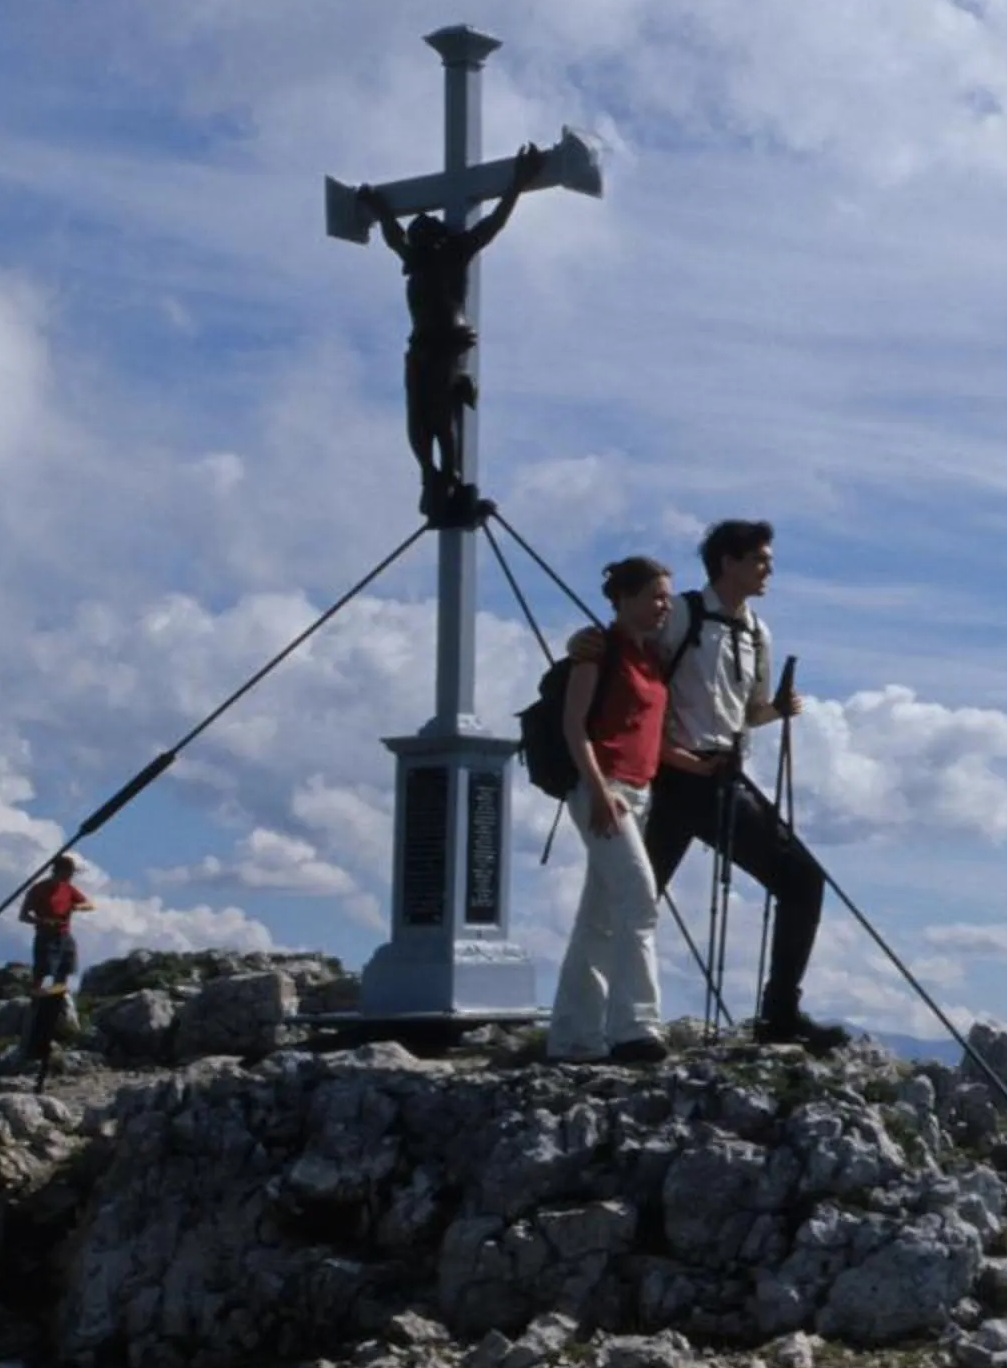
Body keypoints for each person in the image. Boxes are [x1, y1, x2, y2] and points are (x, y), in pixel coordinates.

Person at [582, 518, 842, 1051]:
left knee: (632, 898)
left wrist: (777, 711)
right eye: (760, 559)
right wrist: (583, 644)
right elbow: (629, 658)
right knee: (800, 881)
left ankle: (597, 1023)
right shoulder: (679, 613)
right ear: (728, 562)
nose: (769, 568)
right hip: (688, 775)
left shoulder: (756, 631)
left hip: (713, 772)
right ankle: (779, 1015)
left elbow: (747, 711)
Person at [357, 144, 546, 522]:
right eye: (419, 234)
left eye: (427, 233)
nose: (421, 238)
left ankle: (453, 473)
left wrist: (518, 182)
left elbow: (494, 222)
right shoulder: (417, 259)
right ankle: (430, 474)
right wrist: (378, 208)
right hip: (421, 343)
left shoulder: (455, 251)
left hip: (451, 341)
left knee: (444, 416)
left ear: (439, 236)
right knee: (418, 416)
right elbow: (394, 236)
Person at [548, 556, 677, 1066]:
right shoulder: (598, 651)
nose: (663, 604)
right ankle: (635, 1028)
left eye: (666, 596)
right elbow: (574, 726)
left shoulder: (652, 657)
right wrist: (598, 790)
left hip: (639, 790)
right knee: (640, 901)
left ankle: (573, 1037)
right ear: (624, 599)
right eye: (654, 595)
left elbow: (648, 735)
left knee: (599, 917)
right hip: (606, 789)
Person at [15, 853, 94, 1089]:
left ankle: (57, 1005)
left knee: (64, 973)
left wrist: (76, 906)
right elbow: (23, 916)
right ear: (58, 870)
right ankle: (40, 1009)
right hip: (46, 937)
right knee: (44, 976)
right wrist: (41, 922)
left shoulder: (68, 889)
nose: (70, 877)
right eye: (68, 872)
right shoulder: (39, 889)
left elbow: (89, 904)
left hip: (64, 936)